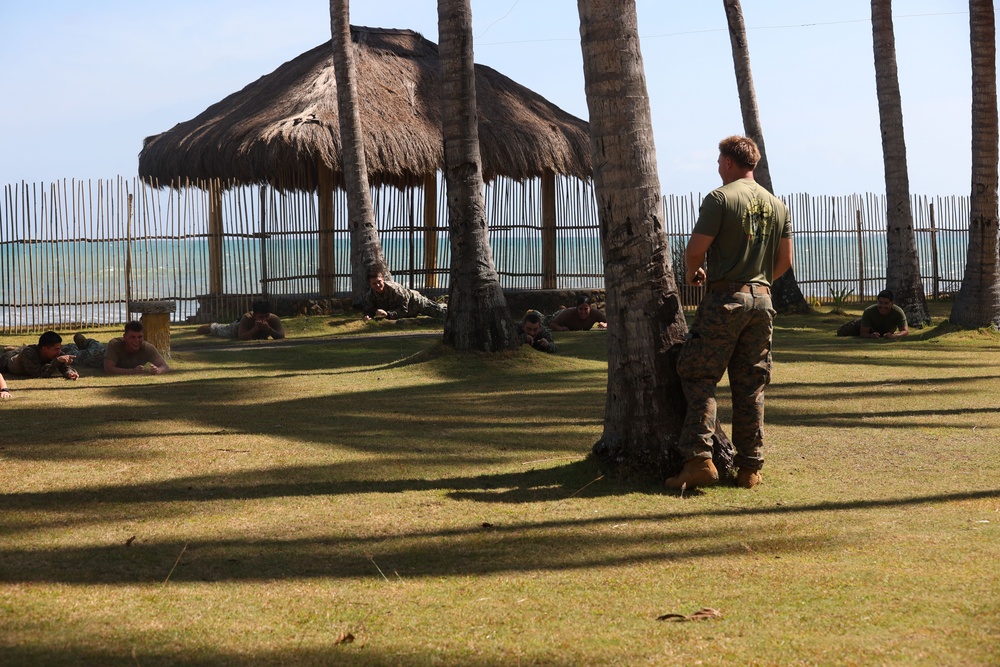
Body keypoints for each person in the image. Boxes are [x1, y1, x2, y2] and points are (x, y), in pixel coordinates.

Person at [667, 135, 793, 491]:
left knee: (699, 375)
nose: (717, 168)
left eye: (718, 162)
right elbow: (785, 262)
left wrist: (694, 274)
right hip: (763, 301)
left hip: (726, 299)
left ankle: (698, 460)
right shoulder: (777, 205)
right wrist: (759, 284)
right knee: (751, 384)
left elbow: (694, 251)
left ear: (727, 162)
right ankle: (750, 468)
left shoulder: (720, 198)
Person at [362, 264, 447, 321]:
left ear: (383, 280)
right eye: (374, 283)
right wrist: (368, 316)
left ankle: (447, 306)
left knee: (442, 313)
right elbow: (369, 309)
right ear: (370, 284)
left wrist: (387, 314)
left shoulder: (396, 290)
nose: (377, 285)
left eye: (379, 282)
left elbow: (403, 310)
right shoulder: (370, 295)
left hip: (416, 303)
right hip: (404, 311)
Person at [0, 331, 79, 380]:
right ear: (44, 349)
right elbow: (38, 374)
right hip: (7, 361)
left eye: (59, 348)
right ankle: (12, 350)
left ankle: (16, 349)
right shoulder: (28, 354)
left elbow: (65, 368)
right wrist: (57, 361)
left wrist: (70, 373)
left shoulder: (57, 353)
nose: (59, 351)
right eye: (56, 349)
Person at [103, 321, 170, 375]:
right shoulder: (114, 344)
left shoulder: (147, 348)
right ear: (125, 337)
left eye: (140, 337)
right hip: (98, 355)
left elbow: (165, 366)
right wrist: (132, 371)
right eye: (132, 337)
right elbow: (108, 369)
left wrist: (157, 370)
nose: (137, 340)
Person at [836, 290, 909, 339]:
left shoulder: (898, 312)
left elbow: (905, 331)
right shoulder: (869, 311)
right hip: (864, 326)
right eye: (880, 303)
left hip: (881, 331)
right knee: (841, 332)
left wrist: (894, 336)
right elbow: (863, 333)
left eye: (886, 303)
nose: (883, 306)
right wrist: (871, 336)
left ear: (892, 303)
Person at [197, 300, 286, 340]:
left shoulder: (274, 319)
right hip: (235, 329)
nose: (264, 319)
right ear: (254, 315)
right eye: (261, 317)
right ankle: (210, 326)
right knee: (219, 329)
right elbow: (242, 336)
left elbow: (281, 336)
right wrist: (255, 329)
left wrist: (269, 329)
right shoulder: (247, 318)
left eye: (266, 316)